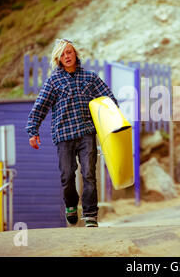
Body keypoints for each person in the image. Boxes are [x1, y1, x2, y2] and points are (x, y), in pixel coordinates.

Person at [26, 38, 118, 227]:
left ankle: (91, 214)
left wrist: (115, 120)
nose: (66, 56)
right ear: (58, 59)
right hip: (63, 135)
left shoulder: (90, 78)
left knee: (89, 174)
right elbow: (40, 106)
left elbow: (109, 99)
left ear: (75, 54)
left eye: (69, 52)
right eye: (62, 54)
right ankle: (70, 205)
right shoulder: (54, 81)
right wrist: (32, 131)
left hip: (86, 133)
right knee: (67, 175)